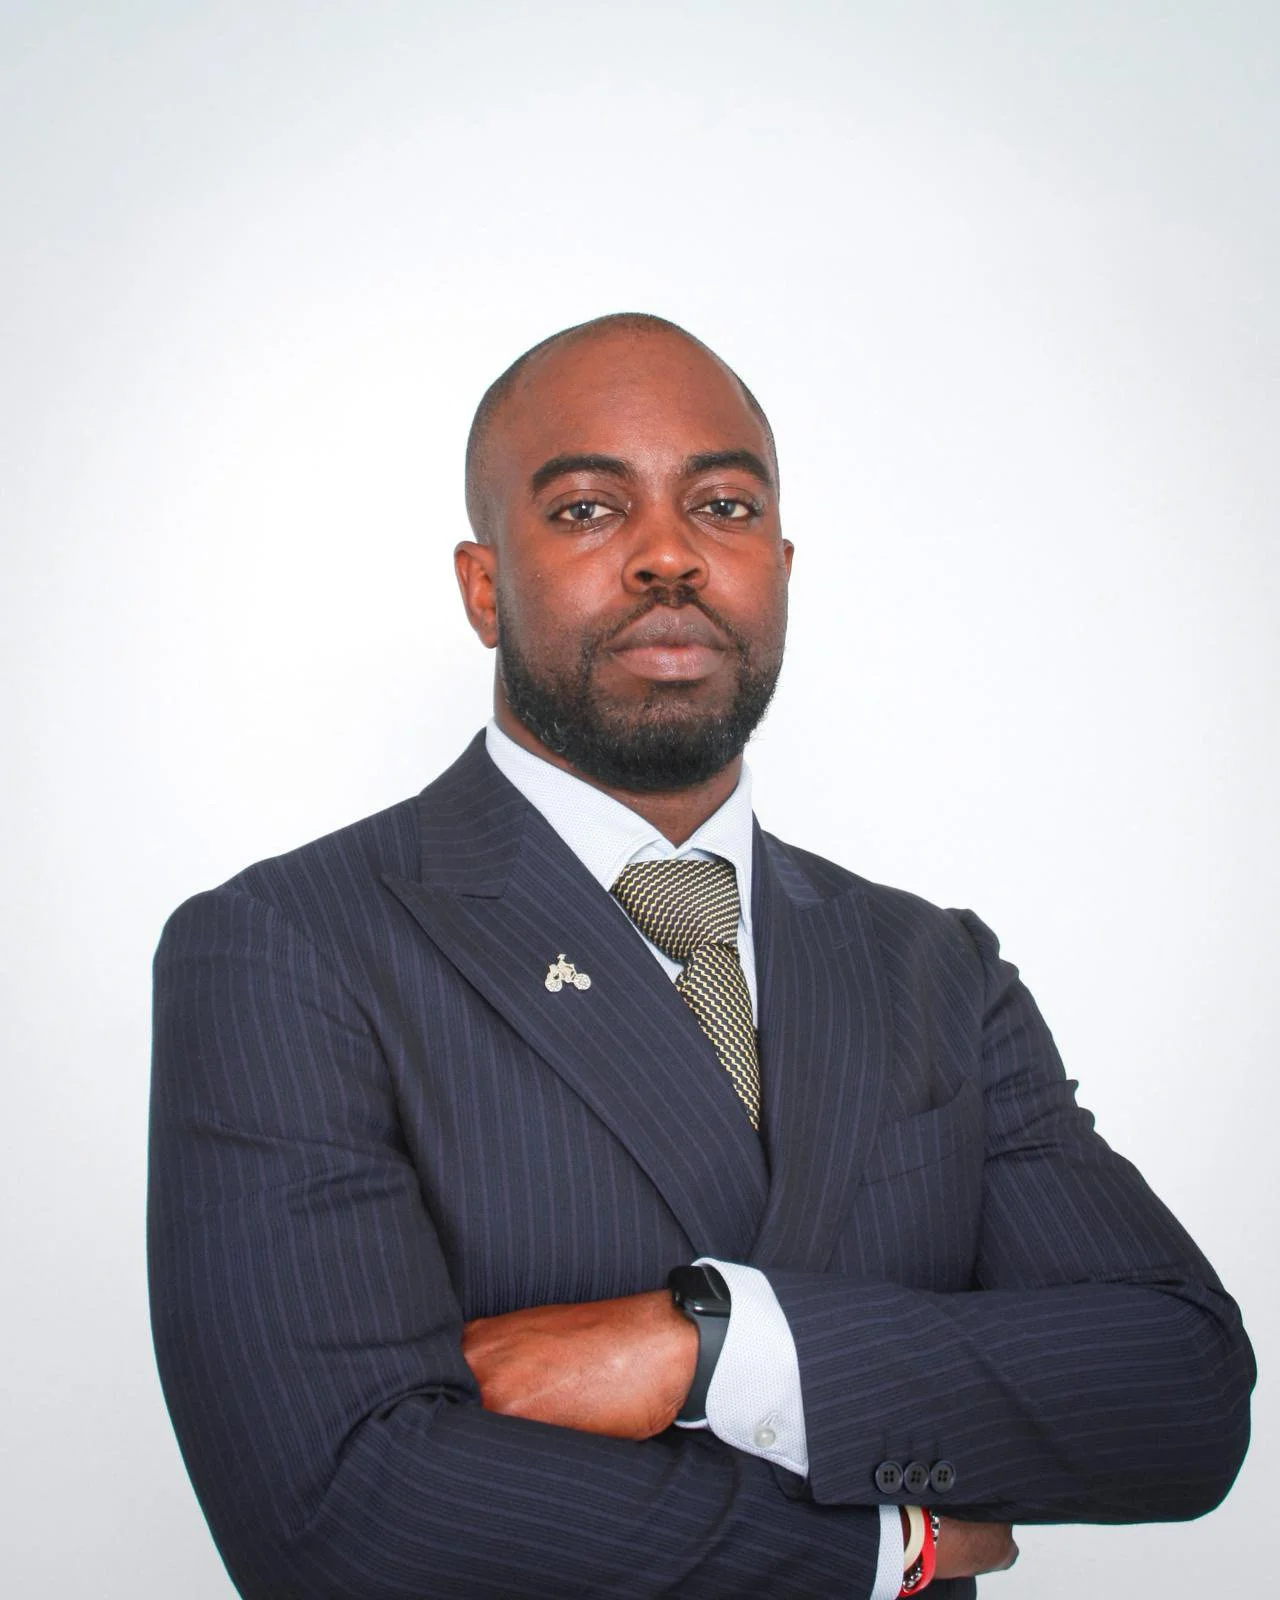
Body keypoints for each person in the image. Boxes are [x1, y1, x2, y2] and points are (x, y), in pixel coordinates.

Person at [148, 313, 1254, 1599]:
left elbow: (1174, 1393)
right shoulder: (291, 947)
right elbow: (339, 1514)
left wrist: (715, 1349)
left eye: (720, 504)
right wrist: (888, 1544)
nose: (669, 554)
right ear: (482, 583)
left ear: (778, 564)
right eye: (584, 510)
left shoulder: (931, 965)